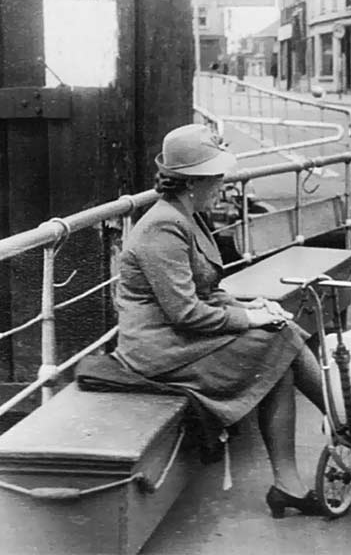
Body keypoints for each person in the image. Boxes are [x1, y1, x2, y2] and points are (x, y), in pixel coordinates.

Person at [114, 123, 327, 518]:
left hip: (180, 338)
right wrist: (248, 318)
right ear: (191, 182)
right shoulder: (164, 227)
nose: (222, 185)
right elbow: (185, 312)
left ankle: (289, 483)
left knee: (279, 338)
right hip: (160, 350)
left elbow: (208, 291)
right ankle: (350, 422)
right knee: (280, 339)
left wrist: (255, 305)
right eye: (215, 178)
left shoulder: (188, 216)